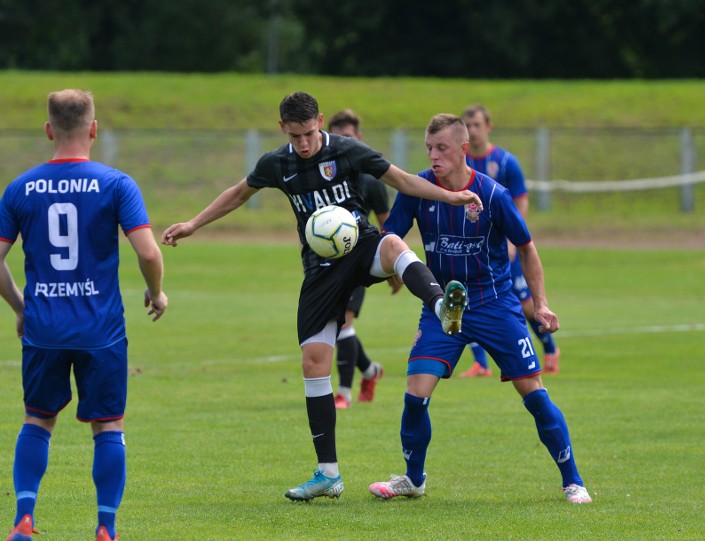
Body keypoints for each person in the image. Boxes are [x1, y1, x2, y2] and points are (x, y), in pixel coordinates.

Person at [161, 92, 480, 501]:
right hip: (319, 270)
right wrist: (193, 223)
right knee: (314, 363)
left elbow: (402, 181)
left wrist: (450, 196)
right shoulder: (278, 163)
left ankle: (441, 306)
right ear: (283, 129)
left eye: (310, 134)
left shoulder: (348, 151)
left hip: (360, 247)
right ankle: (328, 473)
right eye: (295, 136)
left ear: (321, 122)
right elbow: (239, 193)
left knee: (393, 244)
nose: (305, 143)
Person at [369, 114, 591, 504]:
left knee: (534, 395)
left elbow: (526, 246)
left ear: (463, 150)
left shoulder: (492, 195)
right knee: (414, 395)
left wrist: (540, 304)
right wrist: (390, 264)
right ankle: (413, 479)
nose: (434, 156)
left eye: (442, 148)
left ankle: (572, 480)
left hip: (494, 305)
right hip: (442, 306)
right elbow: (391, 236)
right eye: (429, 148)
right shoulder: (419, 190)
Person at [0, 89, 168, 541]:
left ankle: (24, 517)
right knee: (108, 426)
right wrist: (156, 291)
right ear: (93, 129)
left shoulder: (20, 187)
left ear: (48, 130)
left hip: (44, 327)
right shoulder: (116, 184)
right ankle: (105, 534)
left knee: (38, 420)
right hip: (100, 330)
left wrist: (22, 308)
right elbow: (148, 251)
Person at [458, 103, 560, 378]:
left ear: (488, 127)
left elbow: (520, 204)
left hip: (503, 248)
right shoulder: (460, 163)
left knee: (526, 304)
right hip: (473, 248)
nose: (473, 131)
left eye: (478, 125)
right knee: (468, 300)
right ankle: (481, 363)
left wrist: (514, 243)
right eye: (468, 126)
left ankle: (550, 348)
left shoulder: (504, 162)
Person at [327, 109, 390, 409]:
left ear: (359, 139)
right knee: (334, 324)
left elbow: (389, 225)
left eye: (348, 138)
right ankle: (369, 370)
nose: (343, 144)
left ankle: (343, 393)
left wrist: (394, 267)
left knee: (342, 325)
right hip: (325, 263)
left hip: (357, 261)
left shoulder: (371, 180)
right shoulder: (322, 177)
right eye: (338, 138)